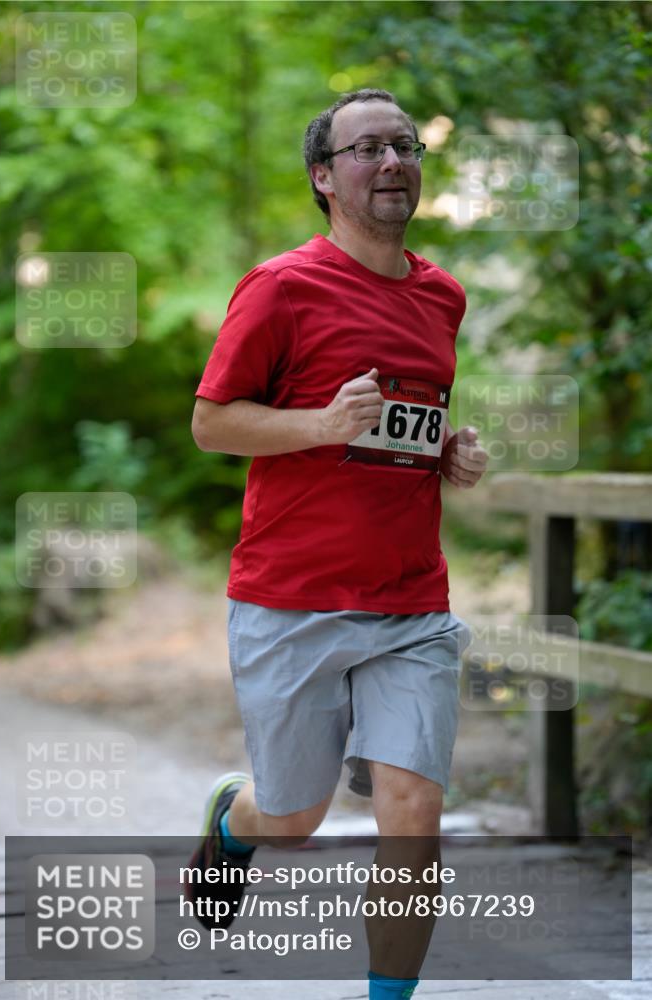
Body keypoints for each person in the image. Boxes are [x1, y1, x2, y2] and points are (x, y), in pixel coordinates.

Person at [185, 88, 488, 999]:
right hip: (292, 598)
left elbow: (402, 419)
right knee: (294, 817)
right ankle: (235, 825)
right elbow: (211, 424)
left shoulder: (442, 296)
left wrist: (445, 448)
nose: (391, 162)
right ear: (324, 177)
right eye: (367, 150)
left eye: (404, 146)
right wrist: (317, 425)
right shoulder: (280, 288)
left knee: (412, 814)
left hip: (409, 604)